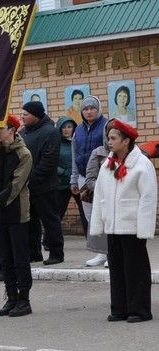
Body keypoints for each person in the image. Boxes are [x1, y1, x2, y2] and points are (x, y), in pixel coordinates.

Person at [90, 120, 156, 323]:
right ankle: (119, 308)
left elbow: (148, 198)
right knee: (117, 269)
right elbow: (100, 194)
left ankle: (140, 309)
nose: (109, 142)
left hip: (132, 226)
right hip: (113, 226)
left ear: (126, 141)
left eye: (113, 138)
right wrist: (99, 223)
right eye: (108, 138)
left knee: (135, 269)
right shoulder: (107, 164)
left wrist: (144, 229)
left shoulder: (142, 164)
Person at [0, 115, 33, 317]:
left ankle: (24, 299)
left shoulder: (23, 154)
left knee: (20, 257)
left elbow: (15, 186)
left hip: (17, 211)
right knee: (5, 257)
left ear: (12, 130)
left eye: (0, 129)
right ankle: (11, 298)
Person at [20, 100, 64, 265]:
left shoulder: (50, 132)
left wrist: (29, 179)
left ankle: (56, 253)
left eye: (26, 114)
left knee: (50, 220)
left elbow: (48, 161)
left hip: (45, 186)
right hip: (26, 188)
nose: (22, 117)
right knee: (30, 222)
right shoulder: (23, 133)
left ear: (36, 115)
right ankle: (34, 253)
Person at [71, 96, 108, 266]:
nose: (89, 111)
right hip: (83, 179)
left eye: (92, 108)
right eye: (85, 109)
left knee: (105, 215)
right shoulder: (78, 130)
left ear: (98, 109)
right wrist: (74, 179)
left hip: (102, 178)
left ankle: (111, 253)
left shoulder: (106, 126)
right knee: (91, 217)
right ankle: (101, 253)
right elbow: (74, 155)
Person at [55, 117, 77, 224]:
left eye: (69, 127)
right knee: (57, 215)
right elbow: (50, 161)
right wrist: (62, 172)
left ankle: (91, 240)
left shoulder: (77, 142)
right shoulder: (55, 143)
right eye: (63, 127)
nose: (66, 130)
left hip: (77, 184)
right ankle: (50, 240)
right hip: (61, 184)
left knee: (86, 214)